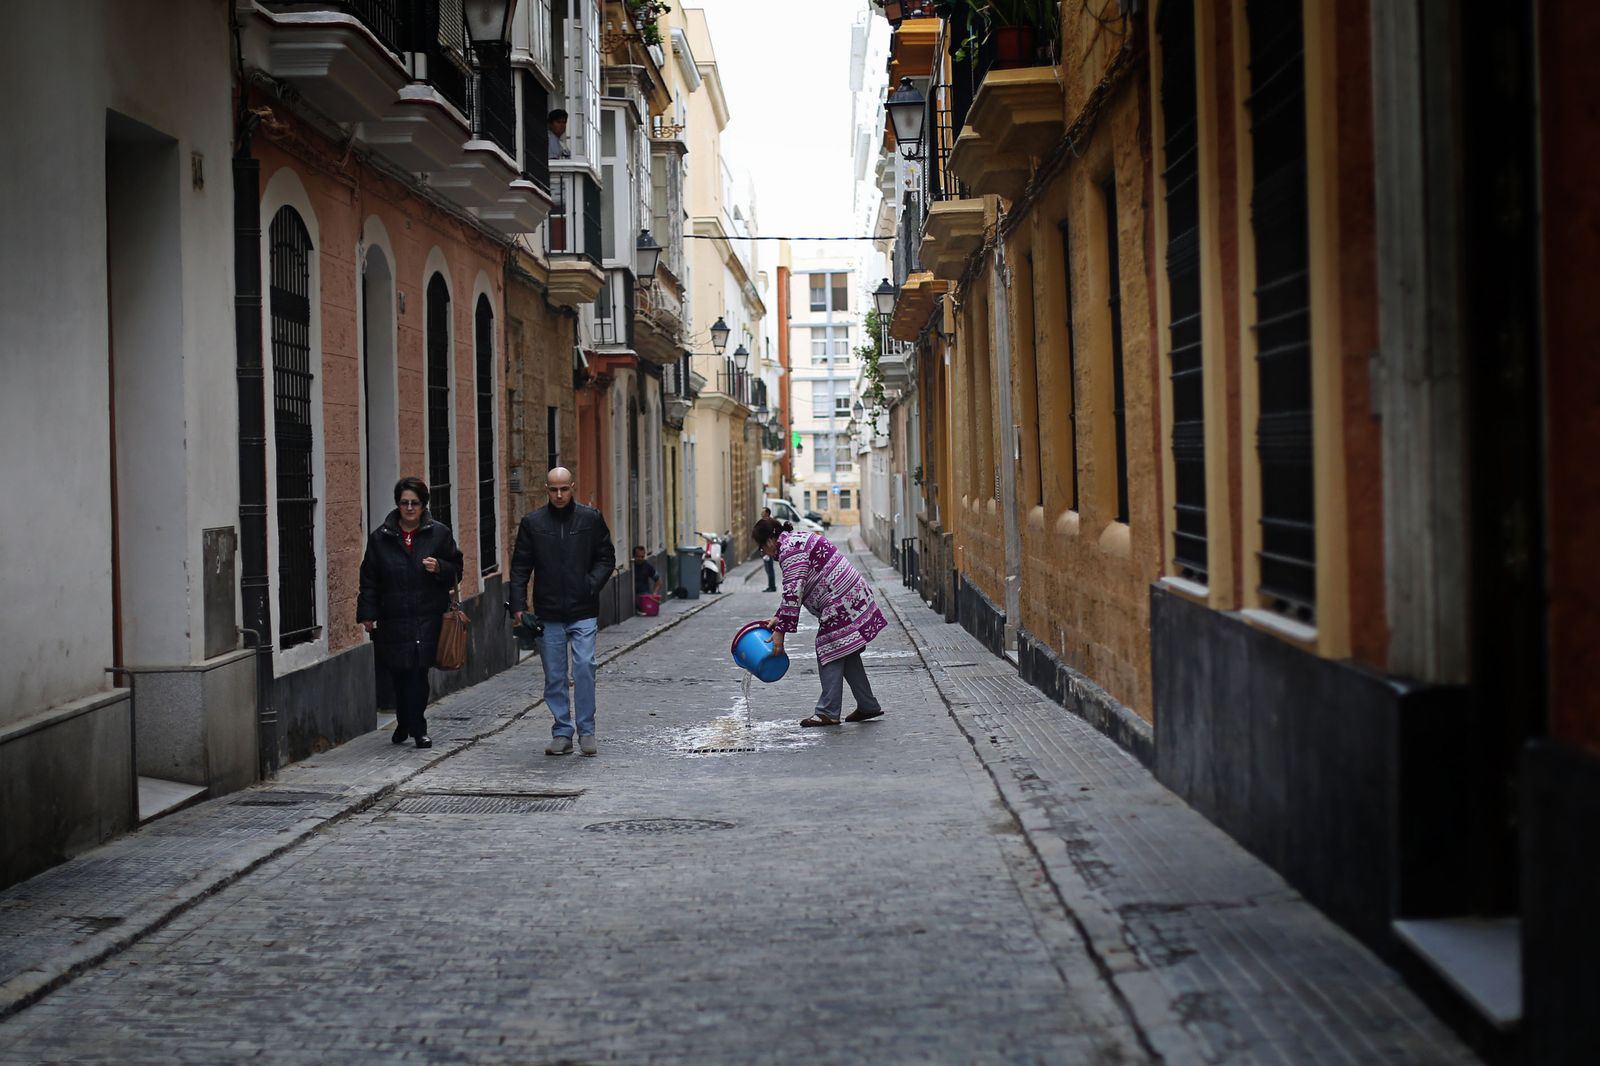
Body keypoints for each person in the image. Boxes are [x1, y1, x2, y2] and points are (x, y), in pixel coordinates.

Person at [509, 467, 615, 756]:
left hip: (583, 608)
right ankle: (562, 731)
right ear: (546, 489)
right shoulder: (533, 522)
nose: (559, 495)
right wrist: (518, 605)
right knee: (554, 675)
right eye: (553, 490)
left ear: (572, 487)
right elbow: (520, 567)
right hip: (548, 610)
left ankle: (587, 730)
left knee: (584, 667)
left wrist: (590, 585)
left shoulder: (590, 519)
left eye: (564, 489)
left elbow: (606, 557)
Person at [357, 477, 464, 750]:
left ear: (423, 505)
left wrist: (440, 567)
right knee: (399, 673)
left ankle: (418, 728)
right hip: (393, 617)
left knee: (418, 673)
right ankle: (404, 721)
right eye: (404, 503)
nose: (409, 508)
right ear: (398, 505)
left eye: (414, 503)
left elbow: (456, 568)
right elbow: (369, 578)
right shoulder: (381, 538)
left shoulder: (438, 533)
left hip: (427, 616)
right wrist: (367, 615)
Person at [753, 517, 887, 728]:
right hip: (848, 594)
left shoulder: (789, 551)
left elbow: (793, 590)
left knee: (829, 647)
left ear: (769, 541)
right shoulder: (794, 541)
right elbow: (797, 589)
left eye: (762, 549)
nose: (765, 554)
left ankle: (827, 712)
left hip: (840, 600)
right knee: (846, 651)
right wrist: (780, 616)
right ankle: (867, 704)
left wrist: (780, 632)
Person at [760, 508, 779, 591]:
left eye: (763, 512)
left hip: (768, 549)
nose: (761, 513)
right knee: (768, 568)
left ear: (767, 513)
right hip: (765, 548)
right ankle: (770, 586)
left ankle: (772, 587)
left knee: (769, 568)